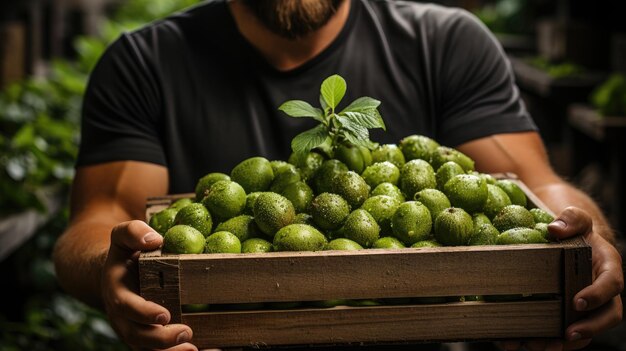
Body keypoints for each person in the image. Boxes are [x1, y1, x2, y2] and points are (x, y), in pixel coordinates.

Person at [52, 0, 623, 350]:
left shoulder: (446, 42)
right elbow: (97, 218)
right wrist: (114, 269)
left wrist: (587, 238)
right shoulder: (144, 62)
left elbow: (534, 185)